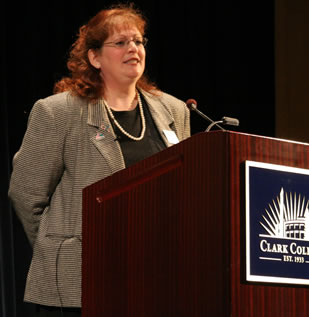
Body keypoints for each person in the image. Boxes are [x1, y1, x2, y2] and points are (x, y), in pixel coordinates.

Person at [8, 3, 190, 316]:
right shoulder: (59, 112)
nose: (133, 48)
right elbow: (26, 194)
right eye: (120, 43)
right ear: (94, 57)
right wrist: (66, 247)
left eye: (138, 41)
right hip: (80, 284)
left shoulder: (174, 112)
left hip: (156, 279)